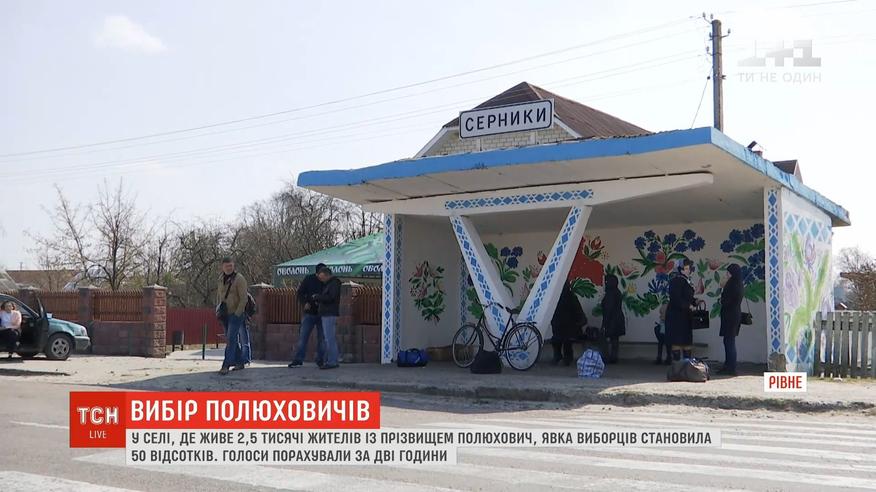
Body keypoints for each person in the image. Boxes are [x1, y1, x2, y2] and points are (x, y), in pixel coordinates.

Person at [289, 263, 327, 368]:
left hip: (323, 313)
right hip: (310, 312)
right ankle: (298, 359)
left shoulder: (328, 281)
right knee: (303, 337)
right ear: (317, 273)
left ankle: (320, 359)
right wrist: (305, 302)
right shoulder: (309, 279)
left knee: (322, 338)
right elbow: (300, 293)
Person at [216, 257, 249, 375]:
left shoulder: (239, 279)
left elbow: (244, 298)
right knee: (232, 339)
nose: (229, 268)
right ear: (222, 267)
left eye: (230, 265)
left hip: (236, 314)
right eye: (226, 266)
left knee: (230, 339)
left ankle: (226, 365)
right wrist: (218, 309)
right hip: (225, 314)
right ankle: (240, 362)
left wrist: (237, 313)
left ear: (233, 265)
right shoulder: (220, 279)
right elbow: (219, 296)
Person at [666, 259, 697, 361]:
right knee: (677, 341)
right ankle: (677, 365)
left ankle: (686, 364)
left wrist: (695, 301)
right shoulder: (676, 281)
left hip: (685, 317)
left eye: (688, 268)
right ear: (680, 270)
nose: (688, 271)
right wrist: (688, 305)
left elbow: (686, 296)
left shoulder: (686, 280)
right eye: (685, 269)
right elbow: (676, 298)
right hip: (676, 316)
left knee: (687, 341)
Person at [313, 267, 341, 370]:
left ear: (327, 275)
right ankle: (331, 360)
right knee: (329, 338)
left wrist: (318, 297)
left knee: (329, 338)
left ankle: (332, 361)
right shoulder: (330, 284)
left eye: (322, 277)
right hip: (327, 313)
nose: (321, 280)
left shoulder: (333, 284)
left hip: (329, 313)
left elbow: (331, 297)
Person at [550, 281, 585, 366]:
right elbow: (578, 310)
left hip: (557, 325)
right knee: (567, 342)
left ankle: (557, 357)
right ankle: (567, 358)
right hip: (569, 326)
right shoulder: (571, 297)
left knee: (557, 341)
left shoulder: (555, 297)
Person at [719, 263, 744, 376]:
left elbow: (725, 301)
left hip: (730, 316)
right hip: (735, 315)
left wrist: (722, 289)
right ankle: (728, 365)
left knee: (729, 341)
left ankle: (731, 367)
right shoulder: (739, 284)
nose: (727, 275)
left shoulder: (731, 285)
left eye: (728, 273)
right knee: (729, 340)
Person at [601, 274, 625, 364]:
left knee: (606, 338)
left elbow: (608, 308)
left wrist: (604, 323)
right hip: (618, 319)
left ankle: (608, 357)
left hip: (612, 320)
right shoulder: (617, 291)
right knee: (615, 339)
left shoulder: (610, 293)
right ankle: (613, 357)